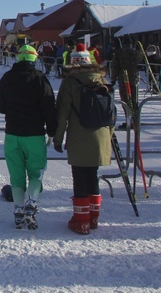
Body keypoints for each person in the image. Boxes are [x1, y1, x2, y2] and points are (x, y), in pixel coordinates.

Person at [0, 44, 57, 230]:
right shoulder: (40, 79)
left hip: (12, 134)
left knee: (17, 176)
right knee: (36, 173)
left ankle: (18, 209)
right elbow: (49, 107)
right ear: (34, 59)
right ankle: (31, 202)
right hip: (34, 134)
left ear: (18, 58)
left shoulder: (7, 78)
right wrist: (53, 130)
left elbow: (0, 105)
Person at [53, 44, 113, 235]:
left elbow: (62, 112)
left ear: (73, 61)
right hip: (101, 134)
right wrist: (108, 137)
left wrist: (57, 137)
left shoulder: (70, 82)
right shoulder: (101, 79)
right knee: (92, 175)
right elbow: (111, 111)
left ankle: (81, 221)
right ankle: (93, 218)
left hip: (79, 135)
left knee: (79, 176)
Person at [110, 36, 142, 129]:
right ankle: (135, 121)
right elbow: (141, 61)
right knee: (134, 101)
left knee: (126, 101)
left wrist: (113, 79)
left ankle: (129, 121)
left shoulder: (119, 53)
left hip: (123, 79)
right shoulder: (136, 52)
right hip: (134, 79)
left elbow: (115, 66)